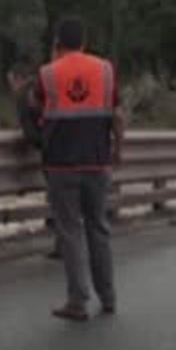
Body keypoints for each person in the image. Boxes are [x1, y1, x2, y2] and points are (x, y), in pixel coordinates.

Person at [32, 18, 124, 322]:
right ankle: (108, 297)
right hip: (98, 162)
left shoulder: (47, 73)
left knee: (71, 231)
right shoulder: (105, 70)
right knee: (99, 227)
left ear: (58, 43)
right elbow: (118, 115)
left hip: (61, 165)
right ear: (84, 41)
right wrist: (117, 150)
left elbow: (37, 111)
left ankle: (78, 301)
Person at [8, 59, 62, 260]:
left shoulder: (23, 95)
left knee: (59, 200)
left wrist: (32, 143)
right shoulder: (45, 86)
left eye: (11, 83)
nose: (11, 89)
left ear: (18, 79)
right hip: (72, 143)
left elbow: (31, 133)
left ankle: (62, 245)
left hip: (53, 151)